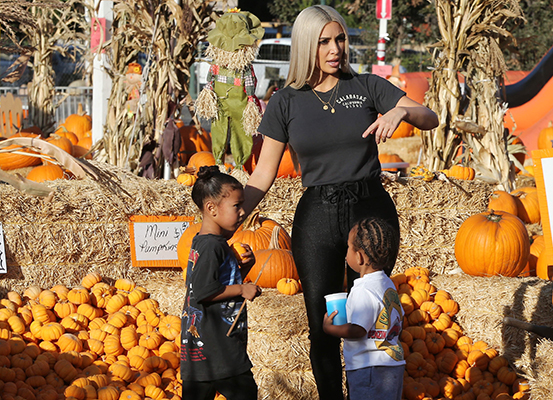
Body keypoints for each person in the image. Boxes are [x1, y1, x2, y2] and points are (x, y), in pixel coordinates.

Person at [241, 5, 438, 399]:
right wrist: (227, 221)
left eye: (340, 39)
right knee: (324, 323)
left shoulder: (365, 85)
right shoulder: (285, 102)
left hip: (370, 211)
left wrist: (400, 109)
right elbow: (263, 174)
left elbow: (428, 117)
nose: (335, 49)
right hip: (318, 214)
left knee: (370, 312)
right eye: (324, 42)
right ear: (305, 46)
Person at [180, 165, 262, 400]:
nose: (242, 212)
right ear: (211, 208)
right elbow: (205, 291)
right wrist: (242, 289)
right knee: (246, 394)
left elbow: (209, 281)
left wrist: (242, 269)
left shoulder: (205, 241)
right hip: (219, 350)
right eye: (237, 206)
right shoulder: (212, 246)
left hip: (202, 352)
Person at [323, 217, 405, 400]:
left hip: (369, 369)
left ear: (359, 256)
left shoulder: (362, 289)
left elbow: (358, 330)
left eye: (348, 248)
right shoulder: (388, 284)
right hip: (394, 365)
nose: (346, 254)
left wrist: (330, 328)